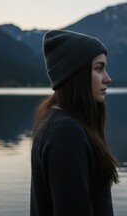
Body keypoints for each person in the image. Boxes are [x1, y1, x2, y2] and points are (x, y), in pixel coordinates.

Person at [30, 30, 119, 216]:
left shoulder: (53, 120)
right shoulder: (66, 133)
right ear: (76, 74)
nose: (107, 78)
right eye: (99, 68)